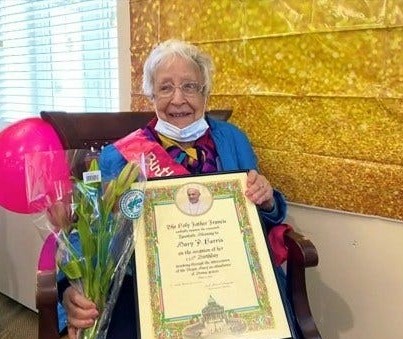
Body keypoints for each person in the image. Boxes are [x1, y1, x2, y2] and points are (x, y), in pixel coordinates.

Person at [58, 39, 291, 338]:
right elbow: (89, 234)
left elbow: (262, 219)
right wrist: (73, 293)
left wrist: (267, 199)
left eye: (190, 87)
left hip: (231, 282)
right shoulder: (118, 156)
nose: (178, 99)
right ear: (151, 94)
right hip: (146, 287)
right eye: (166, 87)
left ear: (206, 93)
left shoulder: (233, 139)